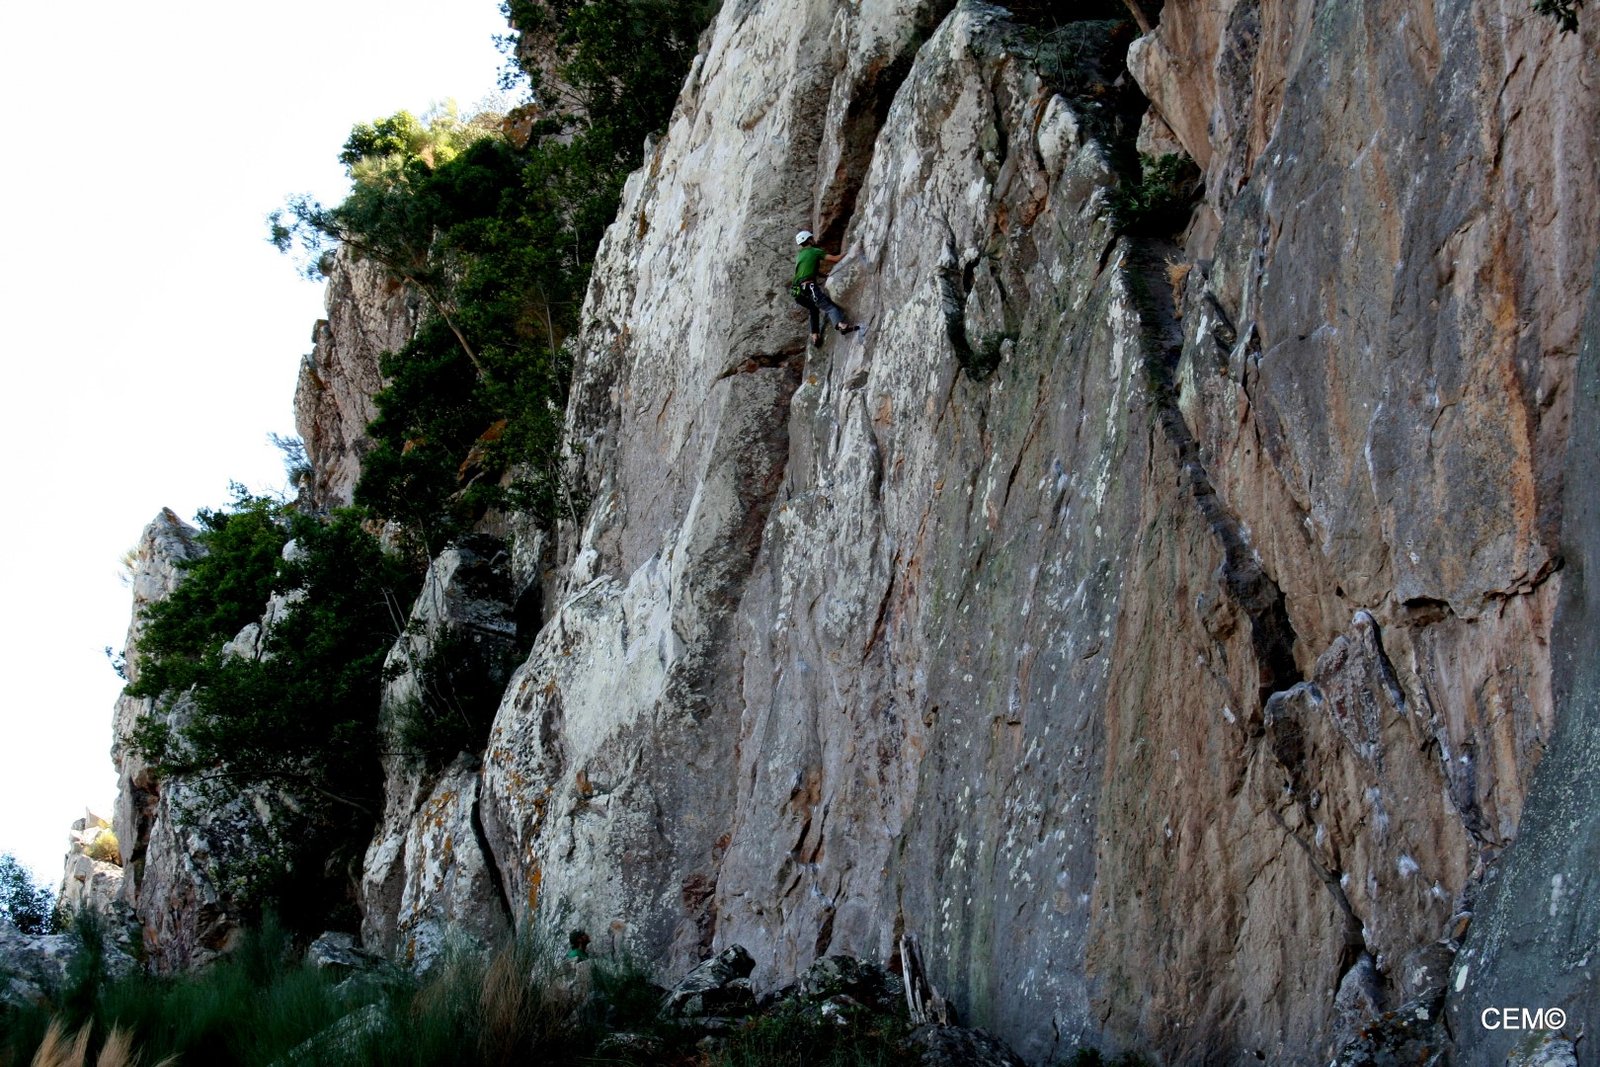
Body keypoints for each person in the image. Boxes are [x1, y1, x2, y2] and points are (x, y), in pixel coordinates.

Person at [792, 230, 860, 345]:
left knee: (813, 308)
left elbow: (810, 271)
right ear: (809, 240)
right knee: (829, 307)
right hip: (809, 287)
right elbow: (836, 259)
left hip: (797, 292)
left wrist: (825, 275)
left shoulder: (800, 255)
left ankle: (815, 335)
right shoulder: (814, 251)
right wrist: (849, 251)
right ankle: (841, 325)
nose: (814, 240)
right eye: (812, 238)